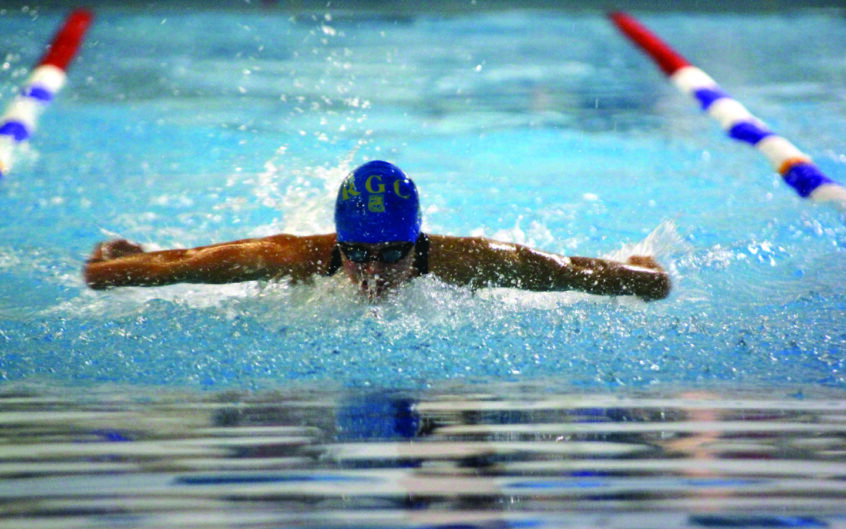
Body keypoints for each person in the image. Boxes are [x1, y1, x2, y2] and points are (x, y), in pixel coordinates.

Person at [84, 160, 671, 301]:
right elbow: (179, 265)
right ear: (337, 244)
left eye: (392, 252)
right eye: (357, 253)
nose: (372, 269)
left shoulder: (469, 261)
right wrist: (112, 269)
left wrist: (642, 278)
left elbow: (565, 271)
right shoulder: (290, 257)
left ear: (417, 244)